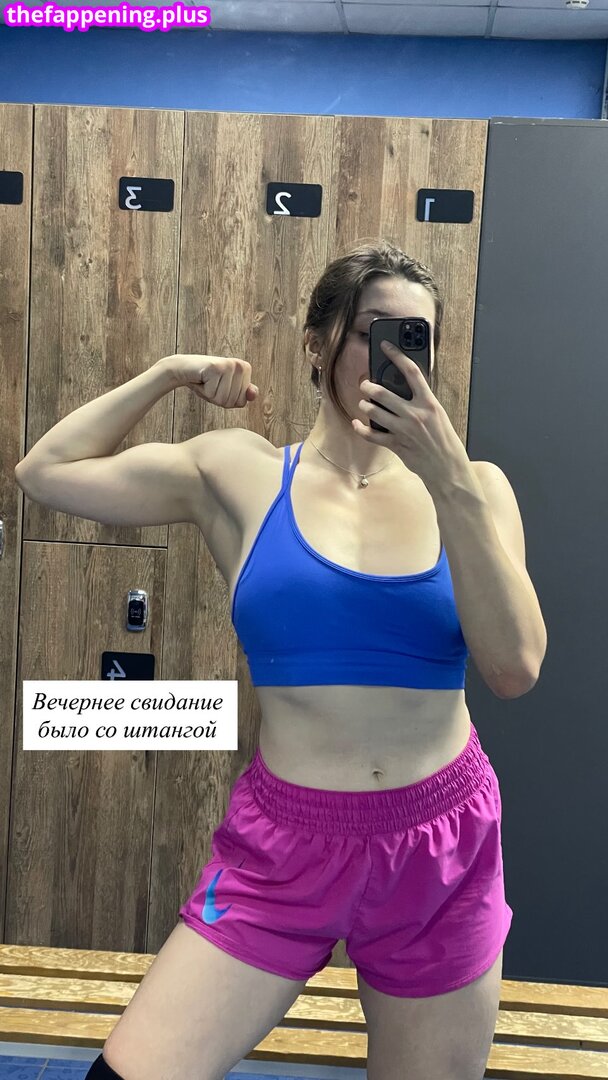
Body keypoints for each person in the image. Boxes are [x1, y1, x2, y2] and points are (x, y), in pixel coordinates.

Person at [16, 239, 546, 1080]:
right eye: (374, 332)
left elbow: (514, 667)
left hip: (440, 846)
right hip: (287, 844)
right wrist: (166, 374)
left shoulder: (477, 489)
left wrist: (449, 480)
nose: (398, 358)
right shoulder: (242, 472)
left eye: (418, 338)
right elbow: (44, 471)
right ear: (317, 343)